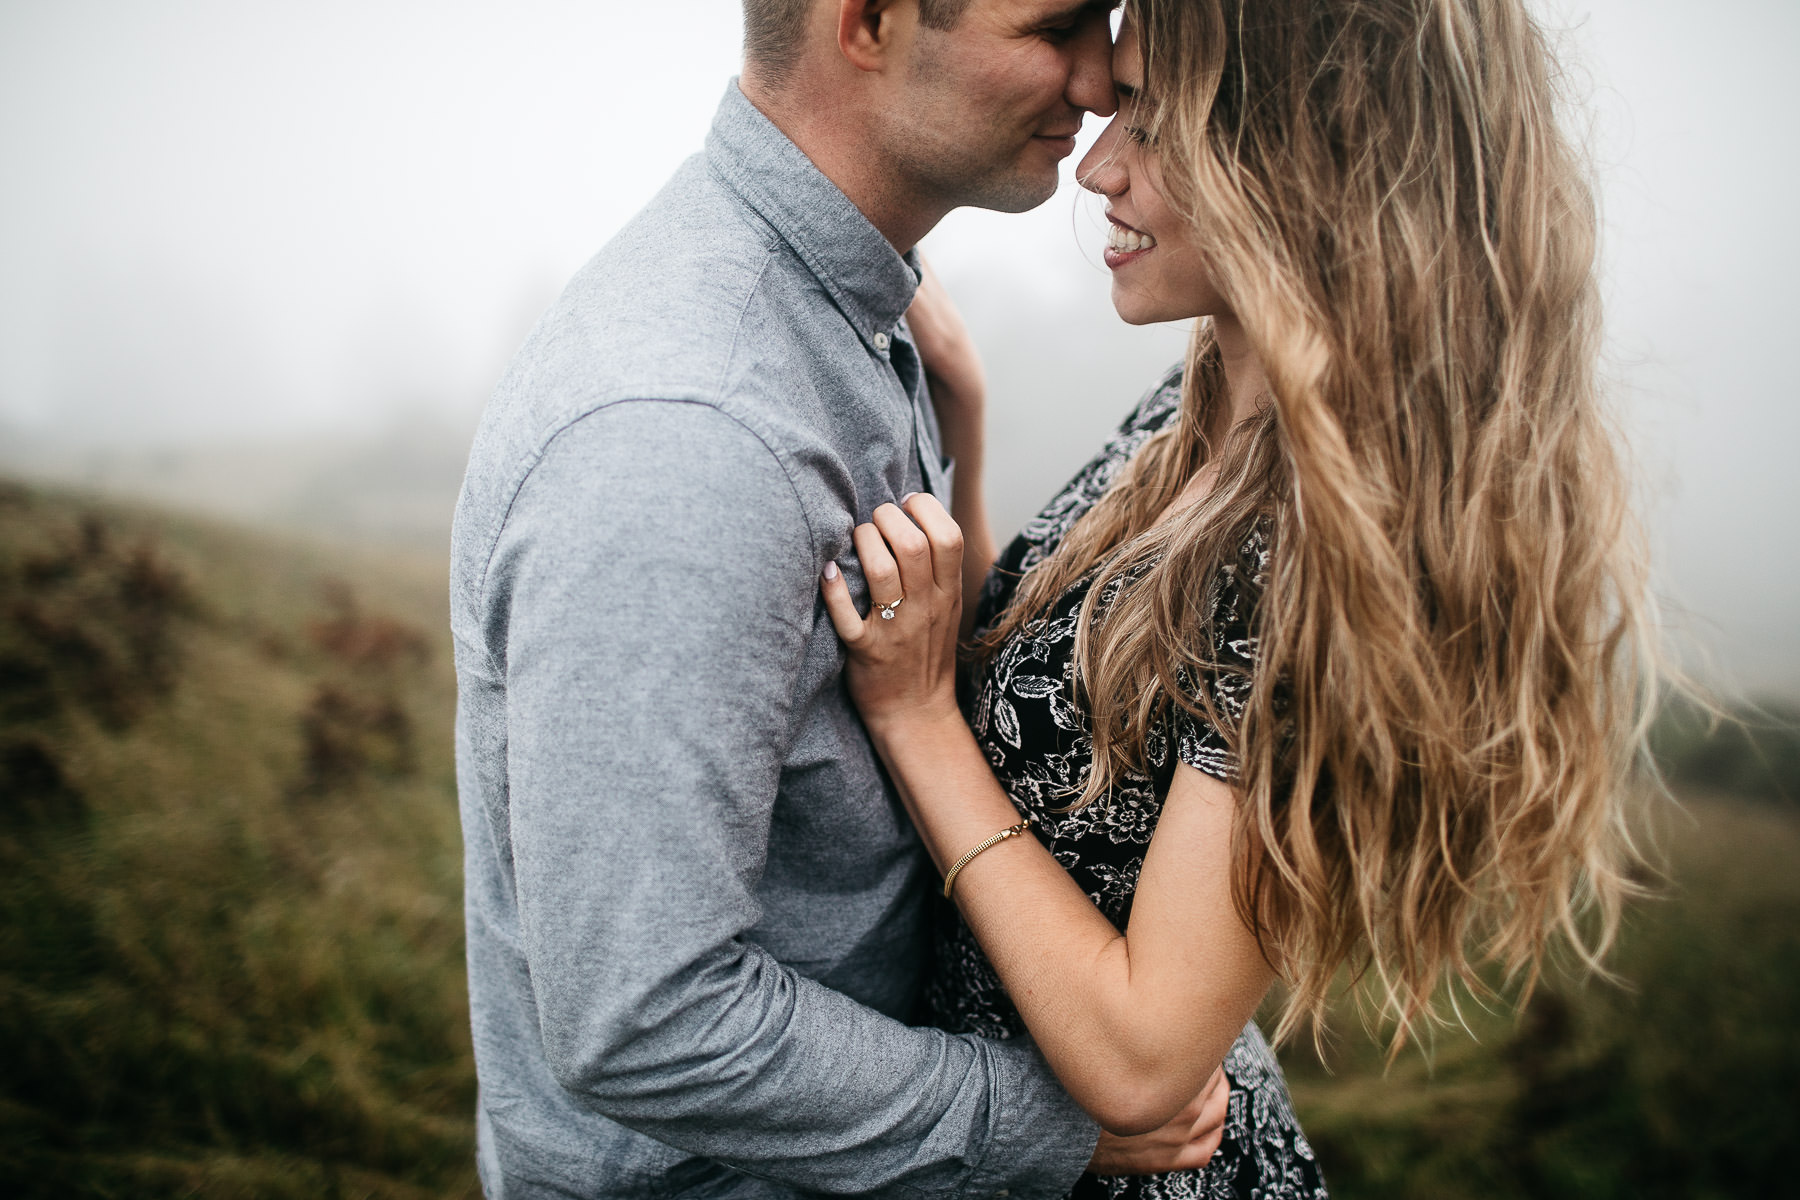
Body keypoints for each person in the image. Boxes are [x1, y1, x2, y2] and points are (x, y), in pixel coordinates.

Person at [823, 0, 1656, 1197]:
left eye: (1161, 124)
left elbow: (1143, 1057)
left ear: (1317, 156)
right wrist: (966, 427)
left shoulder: (1324, 544)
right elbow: (1056, 701)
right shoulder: (1210, 390)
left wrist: (915, 723)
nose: (1099, 167)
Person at [449, 2, 1235, 1197]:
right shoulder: (685, 438)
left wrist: (958, 432)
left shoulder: (850, 314)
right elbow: (646, 1019)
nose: (1099, 82)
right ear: (867, 20)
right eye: (1055, 23)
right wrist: (1043, 1124)